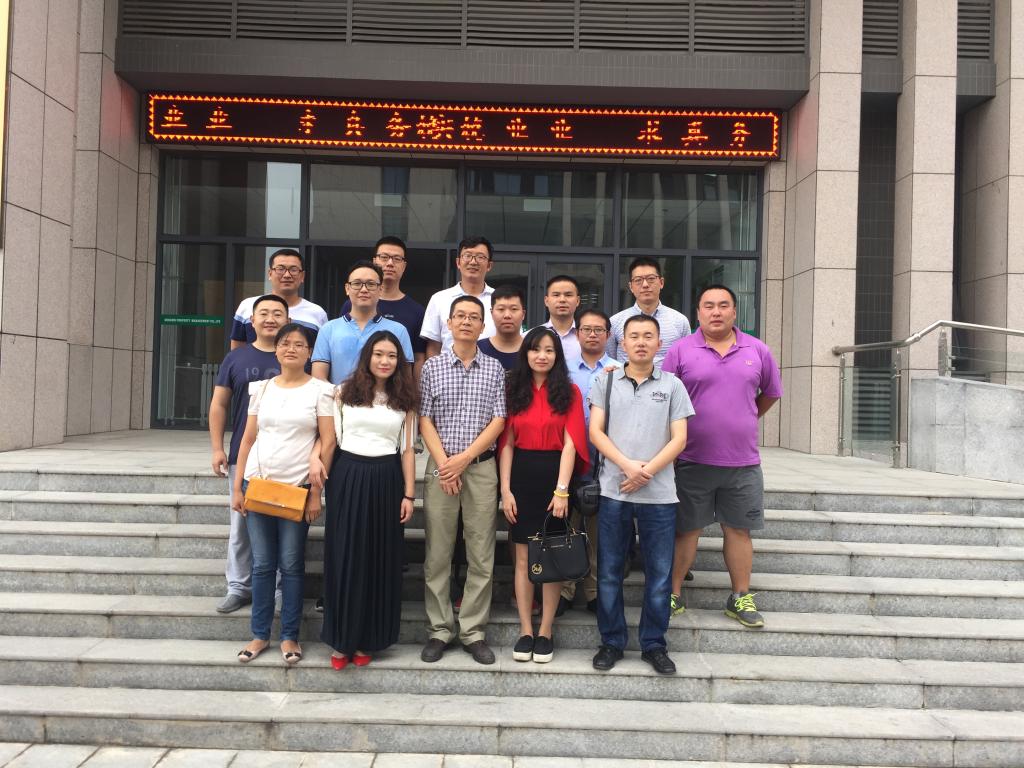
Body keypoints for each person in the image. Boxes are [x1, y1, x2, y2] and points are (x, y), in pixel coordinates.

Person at [662, 284, 782, 628]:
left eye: (723, 305)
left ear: (734, 311)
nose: (716, 312)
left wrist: (744, 416)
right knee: (686, 530)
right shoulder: (681, 350)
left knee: (739, 530)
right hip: (691, 459)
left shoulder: (757, 349)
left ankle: (740, 596)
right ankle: (672, 593)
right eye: (709, 305)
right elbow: (666, 399)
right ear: (698, 312)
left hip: (742, 463)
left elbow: (770, 394)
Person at [589, 315, 693, 675]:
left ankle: (654, 644)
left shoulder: (673, 385)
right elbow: (596, 432)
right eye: (634, 336)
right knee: (609, 572)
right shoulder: (605, 382)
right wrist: (628, 467)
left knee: (660, 575)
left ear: (659, 342)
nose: (641, 342)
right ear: (623, 342)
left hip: (660, 496)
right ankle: (611, 642)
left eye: (648, 336)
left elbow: (680, 438)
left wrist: (645, 472)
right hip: (614, 491)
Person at [232, 323, 336, 665]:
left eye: (299, 344)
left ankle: (290, 636)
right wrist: (237, 486)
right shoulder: (261, 389)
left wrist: (315, 492)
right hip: (257, 485)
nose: (291, 348)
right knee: (262, 564)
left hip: (296, 489)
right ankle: (259, 634)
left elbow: (328, 441)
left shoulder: (321, 391)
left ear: (310, 353)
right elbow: (248, 439)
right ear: (276, 350)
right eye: (285, 343)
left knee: (291, 564)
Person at [321, 331, 418, 668]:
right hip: (347, 475)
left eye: (392, 356)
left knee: (379, 558)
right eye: (379, 354)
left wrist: (409, 494)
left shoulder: (405, 400)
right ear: (367, 356)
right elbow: (331, 441)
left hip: (387, 479)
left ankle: (368, 639)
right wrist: (320, 476)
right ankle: (341, 639)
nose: (385, 361)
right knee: (345, 555)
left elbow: (407, 450)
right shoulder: (342, 393)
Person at [419, 295, 507, 665]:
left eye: (474, 317)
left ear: (483, 326)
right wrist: (445, 465)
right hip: (440, 467)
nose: (467, 322)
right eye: (460, 316)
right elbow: (424, 418)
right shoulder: (432, 367)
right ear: (449, 323)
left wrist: (465, 459)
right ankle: (440, 629)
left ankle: (473, 631)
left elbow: (499, 420)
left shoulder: (495, 369)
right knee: (438, 553)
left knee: (481, 553)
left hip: (481, 468)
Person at [498, 327, 589, 663]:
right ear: (526, 354)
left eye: (549, 350)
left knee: (551, 558)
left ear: (557, 356)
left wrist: (562, 491)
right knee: (523, 558)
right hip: (521, 477)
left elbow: (571, 444)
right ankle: (525, 629)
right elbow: (506, 444)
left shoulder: (569, 391)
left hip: (555, 477)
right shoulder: (513, 390)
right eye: (536, 349)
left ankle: (546, 630)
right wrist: (505, 490)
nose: (542, 356)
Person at [209, 294, 286, 613]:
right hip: (244, 454)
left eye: (277, 314)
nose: (270, 319)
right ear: (251, 321)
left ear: (288, 321)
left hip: (286, 457)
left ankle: (278, 589)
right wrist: (217, 447)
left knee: (281, 525)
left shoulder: (295, 356)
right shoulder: (235, 359)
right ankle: (238, 586)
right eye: (263, 313)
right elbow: (219, 404)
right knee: (240, 524)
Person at [558, 308, 621, 616]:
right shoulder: (563, 370)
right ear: (577, 333)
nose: (592, 335)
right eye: (586, 329)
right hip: (568, 460)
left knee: (599, 532)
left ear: (608, 335)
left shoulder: (619, 370)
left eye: (599, 330)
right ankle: (565, 589)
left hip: (606, 463)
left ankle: (594, 591)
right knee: (567, 528)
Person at [312, 261, 414, 385]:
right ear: (347, 288)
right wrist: (339, 393)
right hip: (337, 397)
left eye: (371, 284)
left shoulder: (399, 331)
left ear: (380, 289)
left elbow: (405, 380)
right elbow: (318, 379)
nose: (364, 289)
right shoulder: (329, 329)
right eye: (357, 284)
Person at [340, 236, 427, 381]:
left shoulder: (416, 311)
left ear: (404, 266)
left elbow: (418, 358)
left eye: (397, 259)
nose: (390, 263)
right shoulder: (351, 305)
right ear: (375, 261)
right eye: (384, 257)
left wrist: (414, 391)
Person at [230, 249, 327, 350]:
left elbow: (320, 353)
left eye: (293, 270)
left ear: (302, 276)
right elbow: (236, 351)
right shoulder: (247, 306)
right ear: (270, 273)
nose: (287, 275)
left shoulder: (317, 313)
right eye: (280, 269)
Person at [607, 257, 690, 366]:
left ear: (661, 282)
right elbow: (610, 362)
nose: (645, 285)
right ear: (631, 287)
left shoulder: (680, 321)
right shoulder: (615, 322)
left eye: (651, 278)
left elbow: (686, 361)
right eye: (638, 280)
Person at [421, 236, 496, 357]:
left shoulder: (498, 300)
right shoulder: (439, 299)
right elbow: (434, 347)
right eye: (467, 256)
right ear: (458, 262)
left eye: (480, 257)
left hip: (491, 368)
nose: (473, 262)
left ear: (489, 265)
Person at [478, 284, 526, 370]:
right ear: (492, 313)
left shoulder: (533, 349)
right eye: (501, 309)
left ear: (523, 314)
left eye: (514, 309)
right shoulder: (478, 349)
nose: (507, 315)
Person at [541, 275, 582, 360]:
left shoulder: (589, 338)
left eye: (568, 295)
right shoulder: (530, 337)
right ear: (546, 301)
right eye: (556, 295)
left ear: (577, 301)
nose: (562, 300)